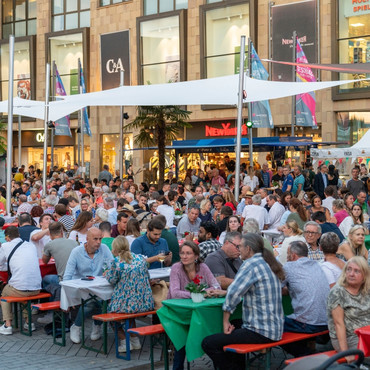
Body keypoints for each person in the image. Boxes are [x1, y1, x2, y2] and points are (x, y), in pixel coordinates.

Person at [202, 234, 285, 370]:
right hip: (275, 328)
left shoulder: (250, 265)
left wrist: (225, 321)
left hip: (261, 331)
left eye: (240, 246)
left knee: (208, 343)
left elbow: (233, 294)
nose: (239, 249)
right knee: (236, 325)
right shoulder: (268, 263)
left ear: (248, 248)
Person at [168, 241, 220, 369]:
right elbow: (174, 293)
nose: (184, 256)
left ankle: (220, 364)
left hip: (197, 311)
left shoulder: (203, 267)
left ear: (196, 256)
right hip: (177, 312)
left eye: (188, 253)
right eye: (182, 253)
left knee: (213, 330)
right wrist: (197, 294)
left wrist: (202, 293)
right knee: (182, 337)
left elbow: (216, 286)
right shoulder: (176, 268)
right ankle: (177, 367)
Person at [104, 236, 154, 352]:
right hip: (145, 303)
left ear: (115, 249)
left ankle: (124, 342)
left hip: (128, 305)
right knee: (129, 310)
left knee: (110, 313)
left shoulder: (116, 262)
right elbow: (147, 276)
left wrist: (106, 273)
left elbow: (112, 279)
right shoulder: (141, 259)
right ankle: (134, 340)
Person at [64, 228, 113, 344]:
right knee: (92, 303)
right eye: (95, 239)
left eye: (100, 239)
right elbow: (68, 275)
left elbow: (113, 267)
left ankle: (95, 325)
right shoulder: (76, 251)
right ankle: (77, 327)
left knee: (102, 301)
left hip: (99, 287)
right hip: (81, 288)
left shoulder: (104, 249)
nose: (99, 242)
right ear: (87, 239)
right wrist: (67, 297)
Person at [282, 241, 330, 357]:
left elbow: (273, 289)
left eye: (287, 254)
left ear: (293, 255)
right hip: (326, 321)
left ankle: (305, 355)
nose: (287, 257)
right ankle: (307, 352)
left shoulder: (289, 266)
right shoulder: (316, 265)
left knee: (271, 325)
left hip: (309, 324)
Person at [327, 257, 370, 363]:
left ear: (364, 276)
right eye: (349, 269)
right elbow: (338, 324)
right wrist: (345, 352)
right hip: (349, 337)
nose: (351, 274)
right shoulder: (338, 292)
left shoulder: (366, 289)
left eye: (356, 271)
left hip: (366, 334)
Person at [0, 226, 41, 335]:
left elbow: (0, 264)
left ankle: (7, 325)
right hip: (37, 288)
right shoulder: (30, 245)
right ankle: (29, 322)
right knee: (23, 294)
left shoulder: (5, 246)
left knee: (4, 293)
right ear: (18, 235)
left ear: (7, 237)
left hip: (20, 288)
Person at [38, 222, 79, 324]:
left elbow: (45, 261)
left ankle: (51, 311)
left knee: (45, 279)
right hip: (77, 279)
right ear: (62, 232)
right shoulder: (74, 243)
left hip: (64, 280)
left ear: (50, 234)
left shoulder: (50, 245)